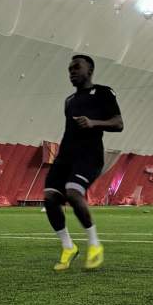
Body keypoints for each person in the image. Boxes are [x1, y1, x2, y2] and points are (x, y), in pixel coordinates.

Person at [44, 54, 123, 271]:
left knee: (72, 192)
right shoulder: (69, 101)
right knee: (50, 198)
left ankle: (95, 244)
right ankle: (68, 247)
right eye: (70, 69)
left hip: (89, 155)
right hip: (65, 156)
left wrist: (93, 123)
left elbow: (118, 123)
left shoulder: (103, 92)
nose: (72, 72)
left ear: (90, 70)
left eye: (77, 68)